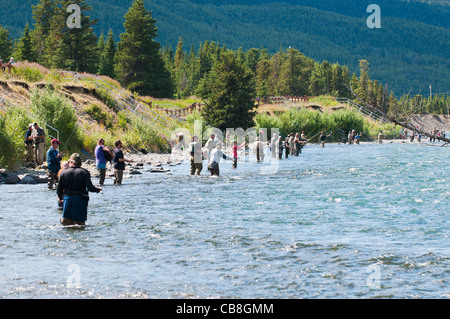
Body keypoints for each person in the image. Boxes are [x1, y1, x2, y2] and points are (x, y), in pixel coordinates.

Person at [57, 153, 102, 226]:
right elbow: (90, 188)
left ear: (71, 162)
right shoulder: (84, 172)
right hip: (80, 200)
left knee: (67, 225)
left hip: (67, 200)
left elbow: (59, 191)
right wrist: (98, 189)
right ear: (80, 162)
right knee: (79, 225)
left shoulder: (63, 173)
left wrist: (61, 198)